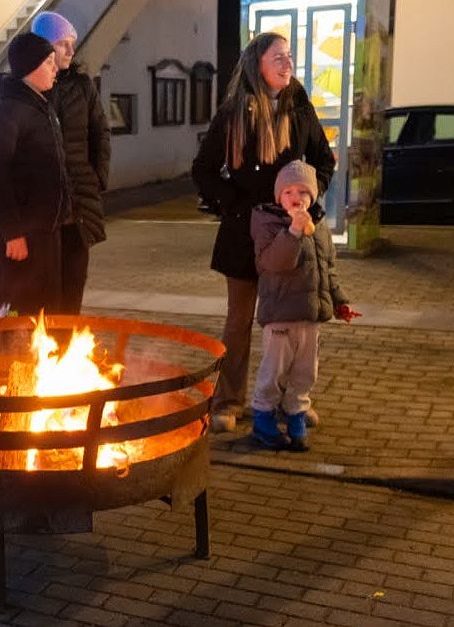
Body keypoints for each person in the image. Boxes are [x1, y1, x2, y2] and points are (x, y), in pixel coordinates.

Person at [191, 31, 336, 433]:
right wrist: (236, 206)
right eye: (279, 57)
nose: (288, 63)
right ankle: (229, 401)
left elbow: (324, 162)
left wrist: (308, 195)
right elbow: (203, 170)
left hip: (290, 235)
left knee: (293, 324)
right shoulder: (234, 113)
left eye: (289, 56)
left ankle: (292, 402)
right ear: (259, 64)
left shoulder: (301, 110)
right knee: (238, 321)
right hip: (244, 235)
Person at [250, 161, 359, 450]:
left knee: (305, 371)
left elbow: (327, 269)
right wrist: (294, 232)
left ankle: (296, 414)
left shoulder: (319, 227)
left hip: (309, 317)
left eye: (302, 191)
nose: (295, 197)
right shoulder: (267, 223)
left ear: (312, 197)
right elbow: (275, 262)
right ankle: (262, 418)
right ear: (278, 197)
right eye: (287, 191)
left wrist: (339, 301)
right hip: (279, 317)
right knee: (274, 371)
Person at [0, 33, 69, 326]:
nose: (55, 68)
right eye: (48, 62)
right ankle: (12, 371)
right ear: (30, 66)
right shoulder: (5, 111)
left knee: (46, 317)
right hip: (20, 239)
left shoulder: (40, 106)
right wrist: (12, 233)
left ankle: (40, 372)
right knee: (18, 317)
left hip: (45, 232)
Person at [31, 11, 111, 315]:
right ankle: (43, 356)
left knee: (73, 288)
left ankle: (66, 356)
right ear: (45, 46)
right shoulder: (33, 88)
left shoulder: (82, 85)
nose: (70, 50)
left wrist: (97, 179)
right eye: (62, 43)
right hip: (45, 208)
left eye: (72, 43)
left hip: (79, 203)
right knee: (44, 292)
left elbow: (100, 134)